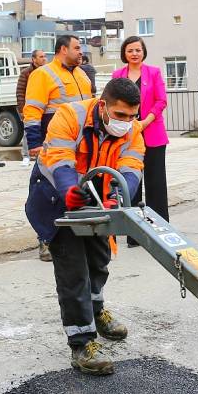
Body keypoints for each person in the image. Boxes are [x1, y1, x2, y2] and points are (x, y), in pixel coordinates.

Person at [25, 78, 145, 376]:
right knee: (73, 270)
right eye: (120, 116)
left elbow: (132, 168)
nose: (126, 123)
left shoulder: (133, 131)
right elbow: (59, 161)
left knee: (98, 258)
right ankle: (81, 342)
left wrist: (121, 195)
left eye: (132, 116)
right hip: (56, 195)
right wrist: (70, 191)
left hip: (97, 200)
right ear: (102, 106)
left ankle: (95, 311)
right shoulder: (69, 116)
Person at [23, 34, 91, 260]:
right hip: (52, 145)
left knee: (70, 191)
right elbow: (32, 110)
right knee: (46, 193)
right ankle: (45, 240)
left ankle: (70, 236)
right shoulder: (42, 74)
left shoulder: (83, 75)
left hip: (78, 147)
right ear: (63, 49)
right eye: (77, 47)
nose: (81, 51)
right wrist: (33, 143)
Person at [112, 35, 169, 247]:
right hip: (127, 134)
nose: (134, 53)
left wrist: (145, 122)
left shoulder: (153, 72)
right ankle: (134, 233)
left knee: (156, 182)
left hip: (152, 131)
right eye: (130, 50)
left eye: (138, 50)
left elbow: (161, 100)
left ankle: (159, 228)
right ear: (124, 54)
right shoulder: (118, 75)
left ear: (143, 51)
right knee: (131, 181)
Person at [15, 49, 47, 166]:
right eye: (41, 56)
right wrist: (22, 109)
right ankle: (26, 156)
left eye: (44, 56)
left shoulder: (48, 72)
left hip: (45, 107)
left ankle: (43, 156)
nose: (44, 58)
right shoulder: (26, 73)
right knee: (27, 132)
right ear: (33, 59)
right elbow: (20, 92)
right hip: (30, 107)